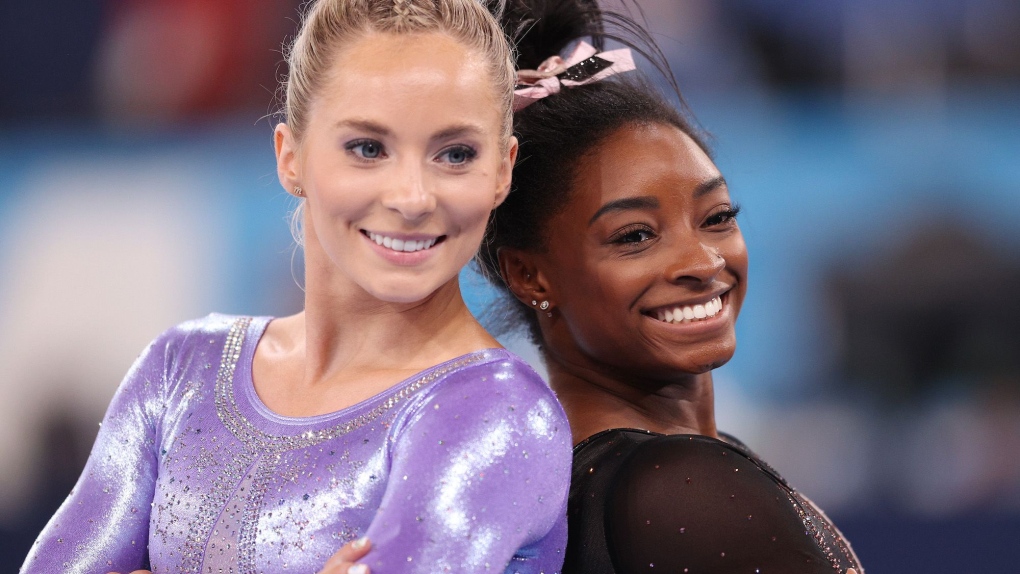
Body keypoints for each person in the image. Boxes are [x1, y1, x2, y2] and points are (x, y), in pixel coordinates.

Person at [20, 1, 572, 573]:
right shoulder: (181, 368)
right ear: (291, 156)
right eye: (368, 148)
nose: (412, 197)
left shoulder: (496, 413)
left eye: (456, 155)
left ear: (503, 169)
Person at [478, 1, 865, 572]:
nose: (703, 261)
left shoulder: (614, 480)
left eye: (718, 217)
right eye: (635, 236)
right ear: (529, 274)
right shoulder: (683, 489)